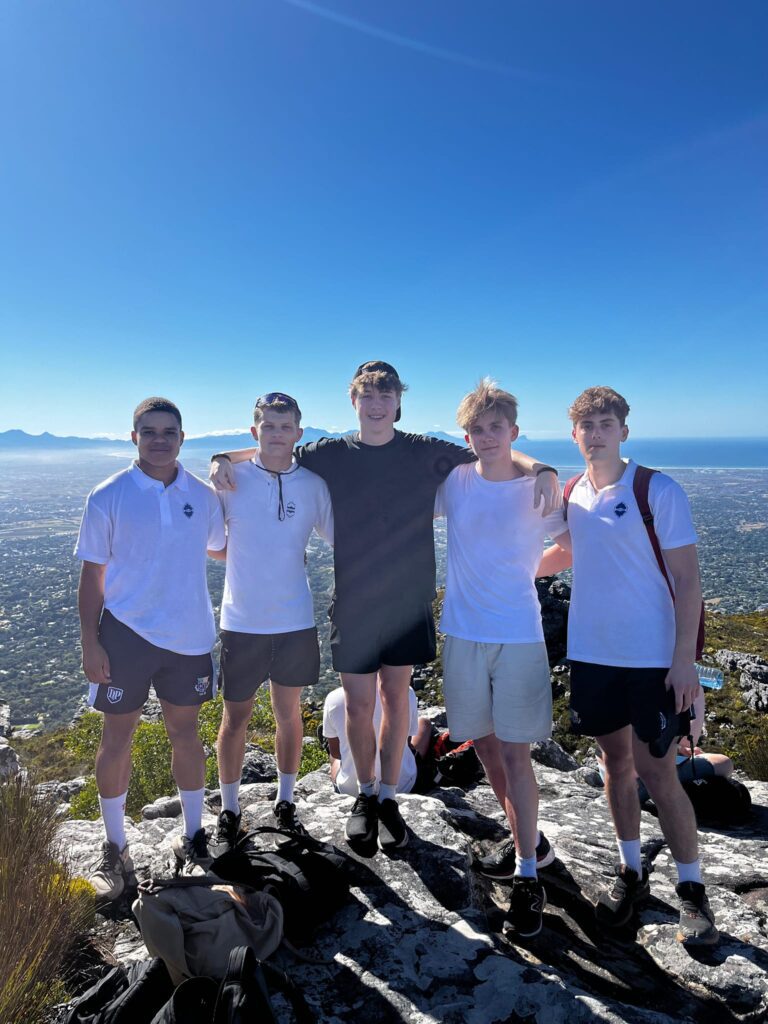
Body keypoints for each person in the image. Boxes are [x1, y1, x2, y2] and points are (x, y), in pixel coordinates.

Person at [211, 361, 560, 855]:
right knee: (358, 705)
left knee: (397, 701)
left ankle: (390, 796)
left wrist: (541, 468)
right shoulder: (330, 453)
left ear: (398, 402)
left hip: (408, 599)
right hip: (353, 601)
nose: (376, 404)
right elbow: (277, 447)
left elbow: (494, 450)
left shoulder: (424, 451)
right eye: (367, 396)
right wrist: (224, 456)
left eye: (385, 395)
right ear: (354, 402)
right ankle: (366, 795)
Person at [538, 386, 719, 946]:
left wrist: (683, 662)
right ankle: (631, 872)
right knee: (614, 767)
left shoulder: (655, 490)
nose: (596, 433)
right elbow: (570, 551)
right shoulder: (573, 492)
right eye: (586, 425)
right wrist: (513, 573)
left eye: (605, 422)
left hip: (652, 659)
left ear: (623, 430)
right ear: (574, 435)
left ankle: (692, 890)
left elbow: (688, 581)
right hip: (593, 654)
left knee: (658, 771)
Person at [75, 397, 226, 898]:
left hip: (189, 637)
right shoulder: (109, 494)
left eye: (169, 431)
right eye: (149, 431)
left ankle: (192, 835)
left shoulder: (202, 496)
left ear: (183, 438)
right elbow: (92, 576)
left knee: (187, 735)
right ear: (133, 435)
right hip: (125, 635)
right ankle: (115, 847)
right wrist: (89, 641)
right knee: (116, 740)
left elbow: (221, 548)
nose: (159, 439)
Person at [435, 380, 567, 938]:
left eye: (498, 428)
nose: (488, 437)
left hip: (517, 636)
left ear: (514, 432)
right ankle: (527, 840)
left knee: (516, 755)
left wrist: (524, 571)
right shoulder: (455, 482)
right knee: (484, 745)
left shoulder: (539, 490)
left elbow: (571, 544)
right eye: (478, 429)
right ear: (467, 437)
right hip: (463, 634)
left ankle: (528, 877)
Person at [207, 392, 333, 851]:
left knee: (289, 715)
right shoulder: (231, 478)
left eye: (286, 427)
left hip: (295, 621)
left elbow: (342, 537)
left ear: (299, 433)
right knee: (234, 717)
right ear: (254, 430)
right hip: (242, 621)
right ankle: (230, 809)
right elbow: (212, 542)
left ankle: (285, 802)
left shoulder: (314, 486)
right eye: (269, 426)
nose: (277, 434)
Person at [595, 690, 734, 804]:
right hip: (633, 780)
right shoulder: (639, 681)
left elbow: (685, 743)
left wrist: (678, 748)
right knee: (723, 764)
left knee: (723, 763)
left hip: (633, 772)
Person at [322, 685, 433, 796]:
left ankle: (331, 740)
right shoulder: (405, 691)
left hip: (351, 790)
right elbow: (407, 742)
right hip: (402, 786)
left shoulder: (333, 697)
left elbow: (336, 753)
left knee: (334, 757)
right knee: (424, 723)